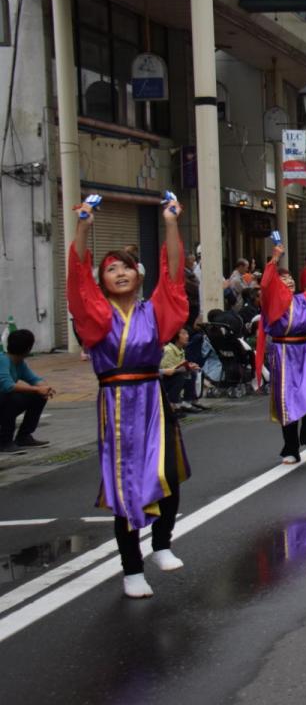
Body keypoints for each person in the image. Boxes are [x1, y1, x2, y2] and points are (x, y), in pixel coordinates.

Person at [68, 194, 190, 599]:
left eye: (125, 267)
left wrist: (171, 224)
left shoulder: (152, 313)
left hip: (153, 400)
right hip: (118, 407)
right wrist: (84, 226)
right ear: (101, 281)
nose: (118, 273)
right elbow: (77, 279)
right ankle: (131, 568)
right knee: (126, 489)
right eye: (110, 269)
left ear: (138, 276)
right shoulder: (96, 316)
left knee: (169, 477)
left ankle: (162, 543)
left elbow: (172, 276)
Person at [255, 237, 306, 465]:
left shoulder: (302, 301)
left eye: (291, 278)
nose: (290, 281)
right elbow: (265, 285)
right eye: (284, 279)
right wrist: (274, 259)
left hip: (304, 350)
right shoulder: (272, 303)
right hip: (283, 352)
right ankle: (290, 448)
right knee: (288, 401)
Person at [0, 329, 54, 453]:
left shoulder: (19, 363)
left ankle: (24, 436)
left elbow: (34, 379)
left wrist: (44, 388)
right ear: (28, 349)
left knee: (39, 396)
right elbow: (7, 386)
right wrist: (37, 389)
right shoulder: (2, 360)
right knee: (13, 398)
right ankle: (4, 441)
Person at [160, 328, 207, 414]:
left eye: (187, 334)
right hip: (165, 379)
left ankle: (190, 400)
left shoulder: (181, 350)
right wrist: (183, 368)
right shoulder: (169, 350)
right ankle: (173, 404)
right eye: (184, 334)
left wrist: (189, 366)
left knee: (194, 372)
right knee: (181, 376)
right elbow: (166, 369)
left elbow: (180, 365)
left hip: (173, 375)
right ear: (176, 337)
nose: (187, 336)